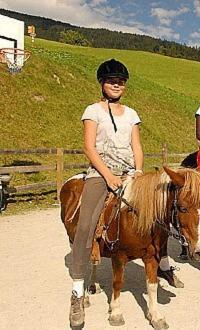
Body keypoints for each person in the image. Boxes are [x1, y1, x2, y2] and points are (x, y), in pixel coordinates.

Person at [69, 59, 144, 326]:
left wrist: (138, 171)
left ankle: (164, 263)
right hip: (100, 173)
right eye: (112, 80)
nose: (116, 84)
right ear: (102, 83)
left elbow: (137, 146)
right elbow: (89, 147)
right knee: (86, 225)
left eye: (121, 81)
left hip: (128, 172)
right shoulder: (93, 110)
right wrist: (108, 176)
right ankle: (77, 291)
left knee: (153, 212)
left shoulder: (132, 113)